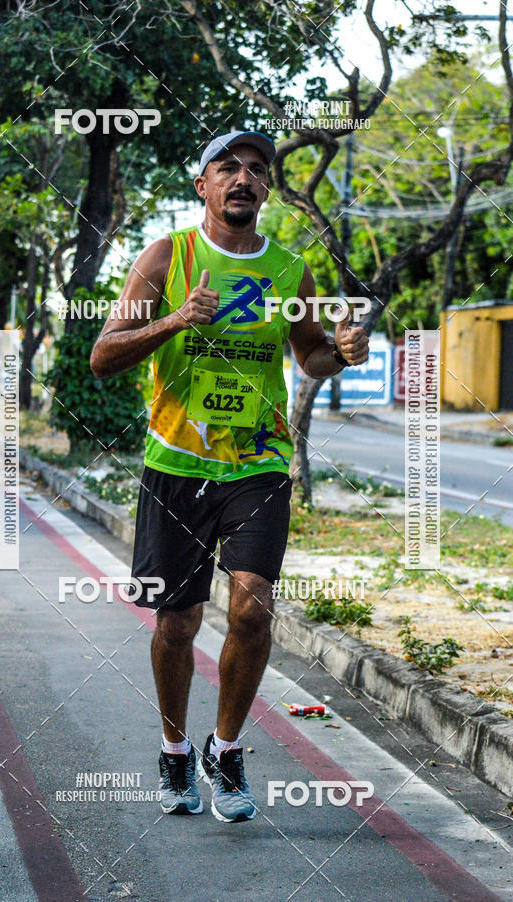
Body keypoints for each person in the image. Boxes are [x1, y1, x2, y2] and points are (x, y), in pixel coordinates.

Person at [90, 130, 369, 822]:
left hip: (259, 464)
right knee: (177, 621)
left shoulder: (289, 269)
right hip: (176, 465)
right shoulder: (168, 256)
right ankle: (175, 750)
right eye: (228, 167)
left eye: (257, 169)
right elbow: (104, 355)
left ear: (267, 188)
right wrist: (175, 320)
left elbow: (309, 357)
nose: (244, 177)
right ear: (203, 186)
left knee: (251, 607)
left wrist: (341, 352)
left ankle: (228, 748)